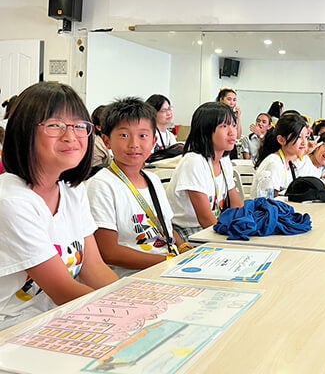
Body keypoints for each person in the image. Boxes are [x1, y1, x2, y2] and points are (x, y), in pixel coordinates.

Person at [0, 82, 118, 330]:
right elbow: (63, 290)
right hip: (13, 330)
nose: (70, 136)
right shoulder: (11, 200)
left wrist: (130, 299)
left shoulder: (72, 190)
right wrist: (124, 313)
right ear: (24, 131)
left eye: (79, 126)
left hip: (57, 318)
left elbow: (93, 268)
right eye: (55, 125)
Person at [86, 97, 191, 277]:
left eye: (143, 136)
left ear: (153, 141)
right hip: (132, 276)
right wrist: (169, 262)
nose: (134, 144)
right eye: (124, 135)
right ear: (106, 141)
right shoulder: (101, 185)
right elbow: (109, 252)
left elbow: (165, 227)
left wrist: (183, 248)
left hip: (167, 266)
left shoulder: (153, 180)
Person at [167, 102, 243, 241]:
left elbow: (236, 204)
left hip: (215, 224)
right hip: (187, 230)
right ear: (206, 130)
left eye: (233, 125)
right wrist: (229, 241)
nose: (232, 132)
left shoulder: (224, 159)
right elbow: (204, 218)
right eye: (224, 126)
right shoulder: (193, 161)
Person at [252, 113, 311, 197]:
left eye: (306, 137)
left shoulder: (292, 161)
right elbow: (271, 199)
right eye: (298, 137)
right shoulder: (274, 163)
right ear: (281, 140)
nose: (304, 142)